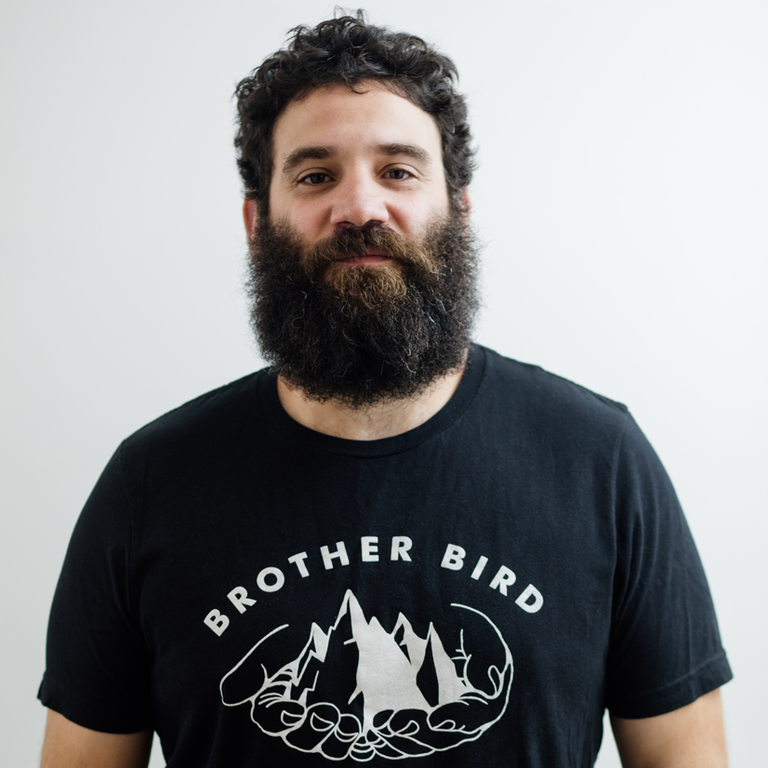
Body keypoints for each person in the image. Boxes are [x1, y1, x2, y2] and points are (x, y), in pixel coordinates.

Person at [38, 13, 732, 767]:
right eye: (315, 176)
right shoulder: (149, 486)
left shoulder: (601, 462)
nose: (361, 208)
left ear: (458, 209)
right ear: (256, 223)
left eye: (398, 171)